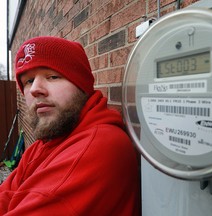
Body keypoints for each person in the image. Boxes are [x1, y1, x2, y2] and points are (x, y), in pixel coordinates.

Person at [0, 36, 140, 215]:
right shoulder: (45, 143)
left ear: (82, 86)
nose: (35, 89)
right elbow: (6, 195)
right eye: (28, 81)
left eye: (53, 76)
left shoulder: (98, 148)